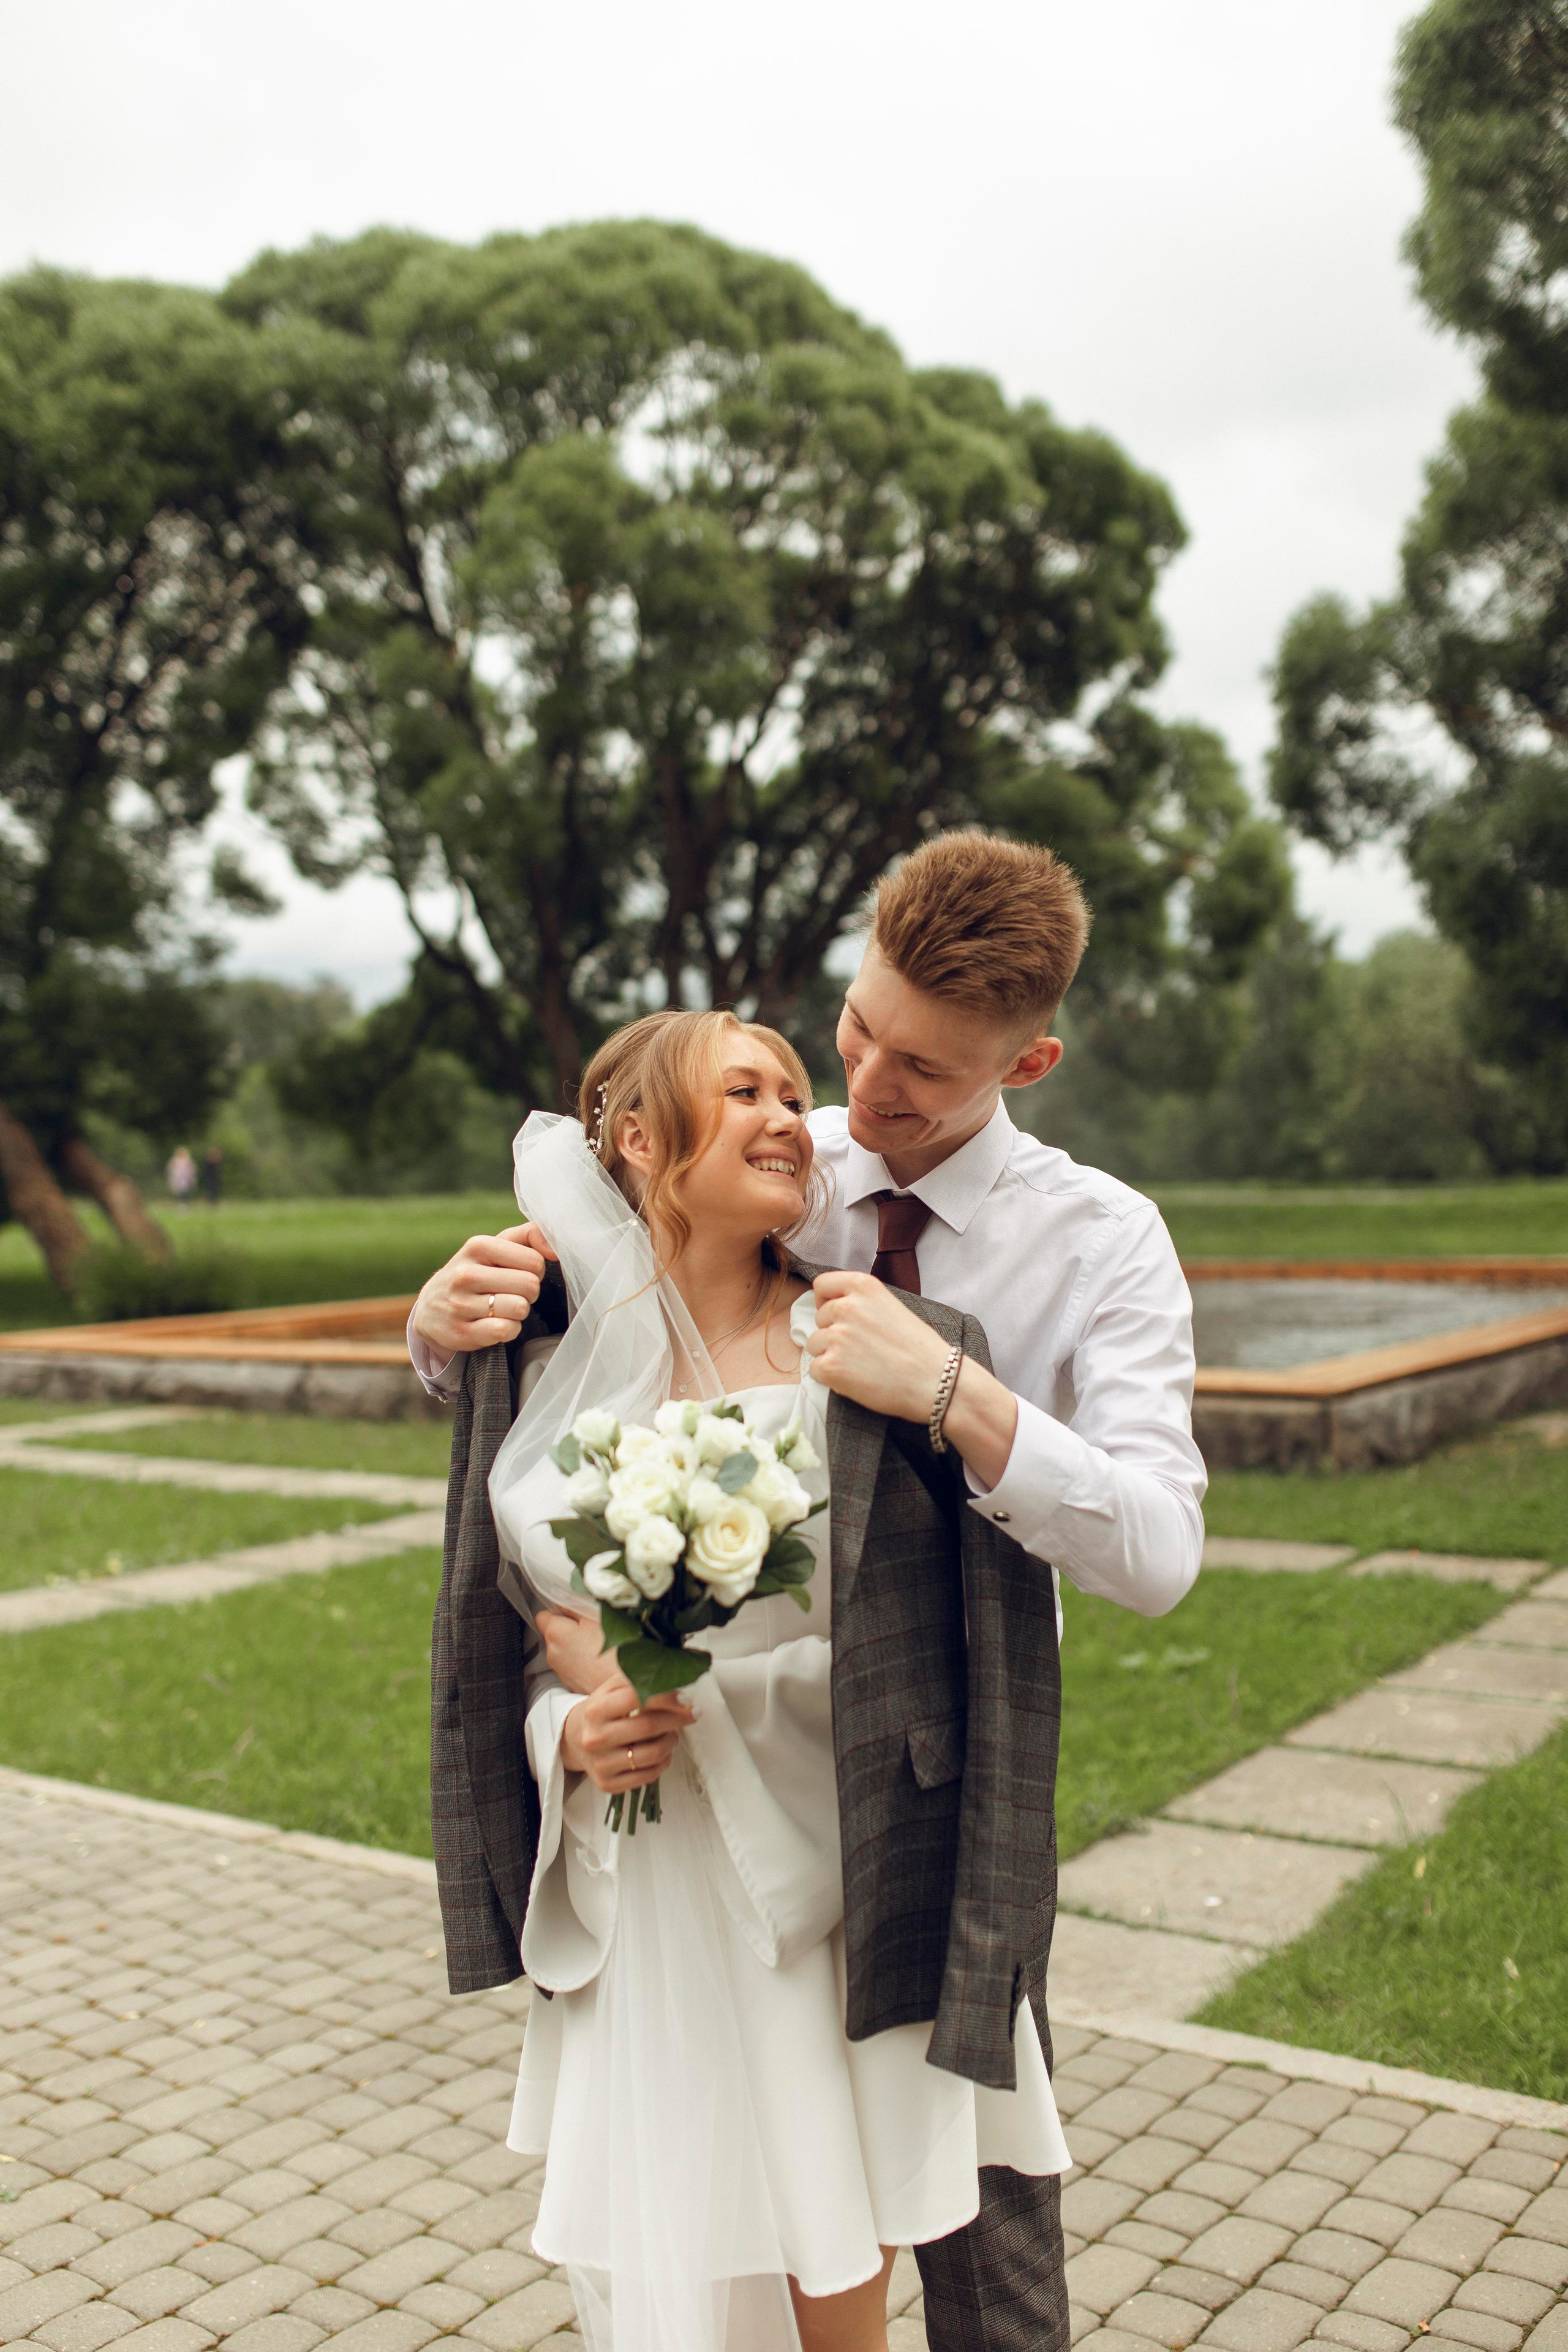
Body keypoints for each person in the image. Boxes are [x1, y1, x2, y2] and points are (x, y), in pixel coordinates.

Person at [412, 829, 1208, 2348]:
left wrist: (958, 1390)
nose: (855, 1091)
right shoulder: (773, 1163)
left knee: (975, 2205)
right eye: (856, 1028)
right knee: (738, 2186)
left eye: (916, 1066)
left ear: (1025, 1060)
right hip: (690, 1845)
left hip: (938, 1774)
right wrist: (434, 1322)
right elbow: (573, 1354)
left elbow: (1160, 1549)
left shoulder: (1097, 1240)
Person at [165, 1144, 197, 1210]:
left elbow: (191, 1170)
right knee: (179, 1192)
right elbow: (170, 1169)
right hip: (177, 1179)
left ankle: (185, 1205)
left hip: (185, 1179)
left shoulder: (188, 1161)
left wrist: (191, 1179)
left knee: (185, 1192)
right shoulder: (174, 1161)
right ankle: (180, 1204)